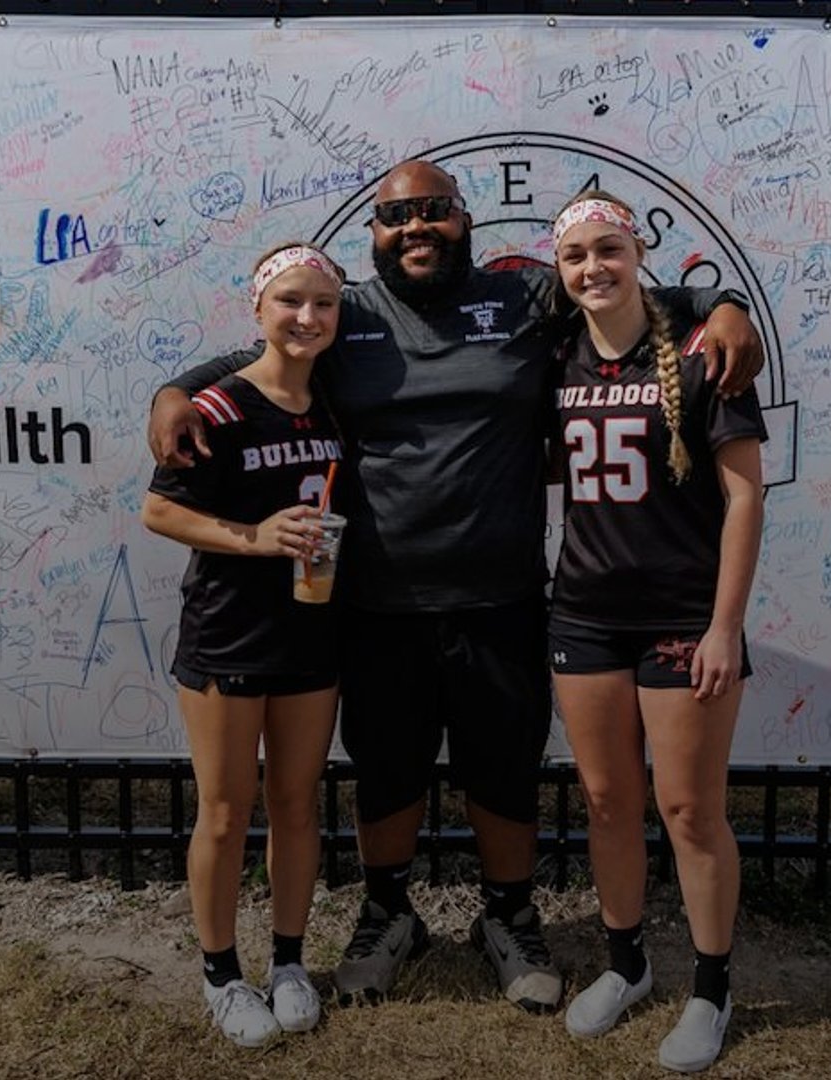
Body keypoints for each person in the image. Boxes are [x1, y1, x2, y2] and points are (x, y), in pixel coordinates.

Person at [148, 159, 763, 1014]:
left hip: (501, 593)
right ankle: (387, 914)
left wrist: (723, 303)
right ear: (373, 232)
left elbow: (624, 291)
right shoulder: (349, 311)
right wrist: (174, 390)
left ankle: (508, 916)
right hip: (377, 600)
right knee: (387, 770)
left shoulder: (524, 295)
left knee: (502, 770)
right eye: (396, 215)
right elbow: (265, 351)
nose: (416, 227)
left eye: (434, 210)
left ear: (464, 221)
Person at [545, 191, 764, 1073]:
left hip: (683, 617)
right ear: (559, 273)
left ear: (638, 254)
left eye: (609, 248)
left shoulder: (703, 351)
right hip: (584, 615)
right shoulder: (555, 355)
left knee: (689, 810)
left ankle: (711, 987)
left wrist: (724, 627)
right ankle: (626, 963)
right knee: (607, 801)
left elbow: (744, 498)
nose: (593, 267)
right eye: (575, 256)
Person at [139, 242, 347, 1048]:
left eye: (323, 303)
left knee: (296, 804)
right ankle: (221, 973)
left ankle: (289, 961)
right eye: (289, 300)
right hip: (229, 631)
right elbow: (160, 511)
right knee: (226, 813)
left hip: (312, 629)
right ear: (258, 309)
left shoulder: (335, 402)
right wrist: (254, 537)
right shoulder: (219, 406)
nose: (307, 317)